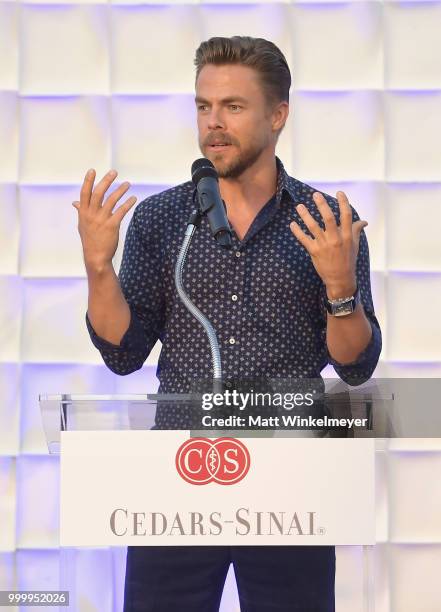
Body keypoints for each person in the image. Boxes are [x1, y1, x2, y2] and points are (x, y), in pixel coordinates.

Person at [73, 36, 381, 612]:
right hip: (180, 476)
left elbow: (356, 363)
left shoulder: (326, 222)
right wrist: (97, 268)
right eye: (203, 106)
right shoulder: (164, 220)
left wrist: (341, 290)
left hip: (292, 479)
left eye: (233, 107)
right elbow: (124, 351)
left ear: (278, 115)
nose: (213, 124)